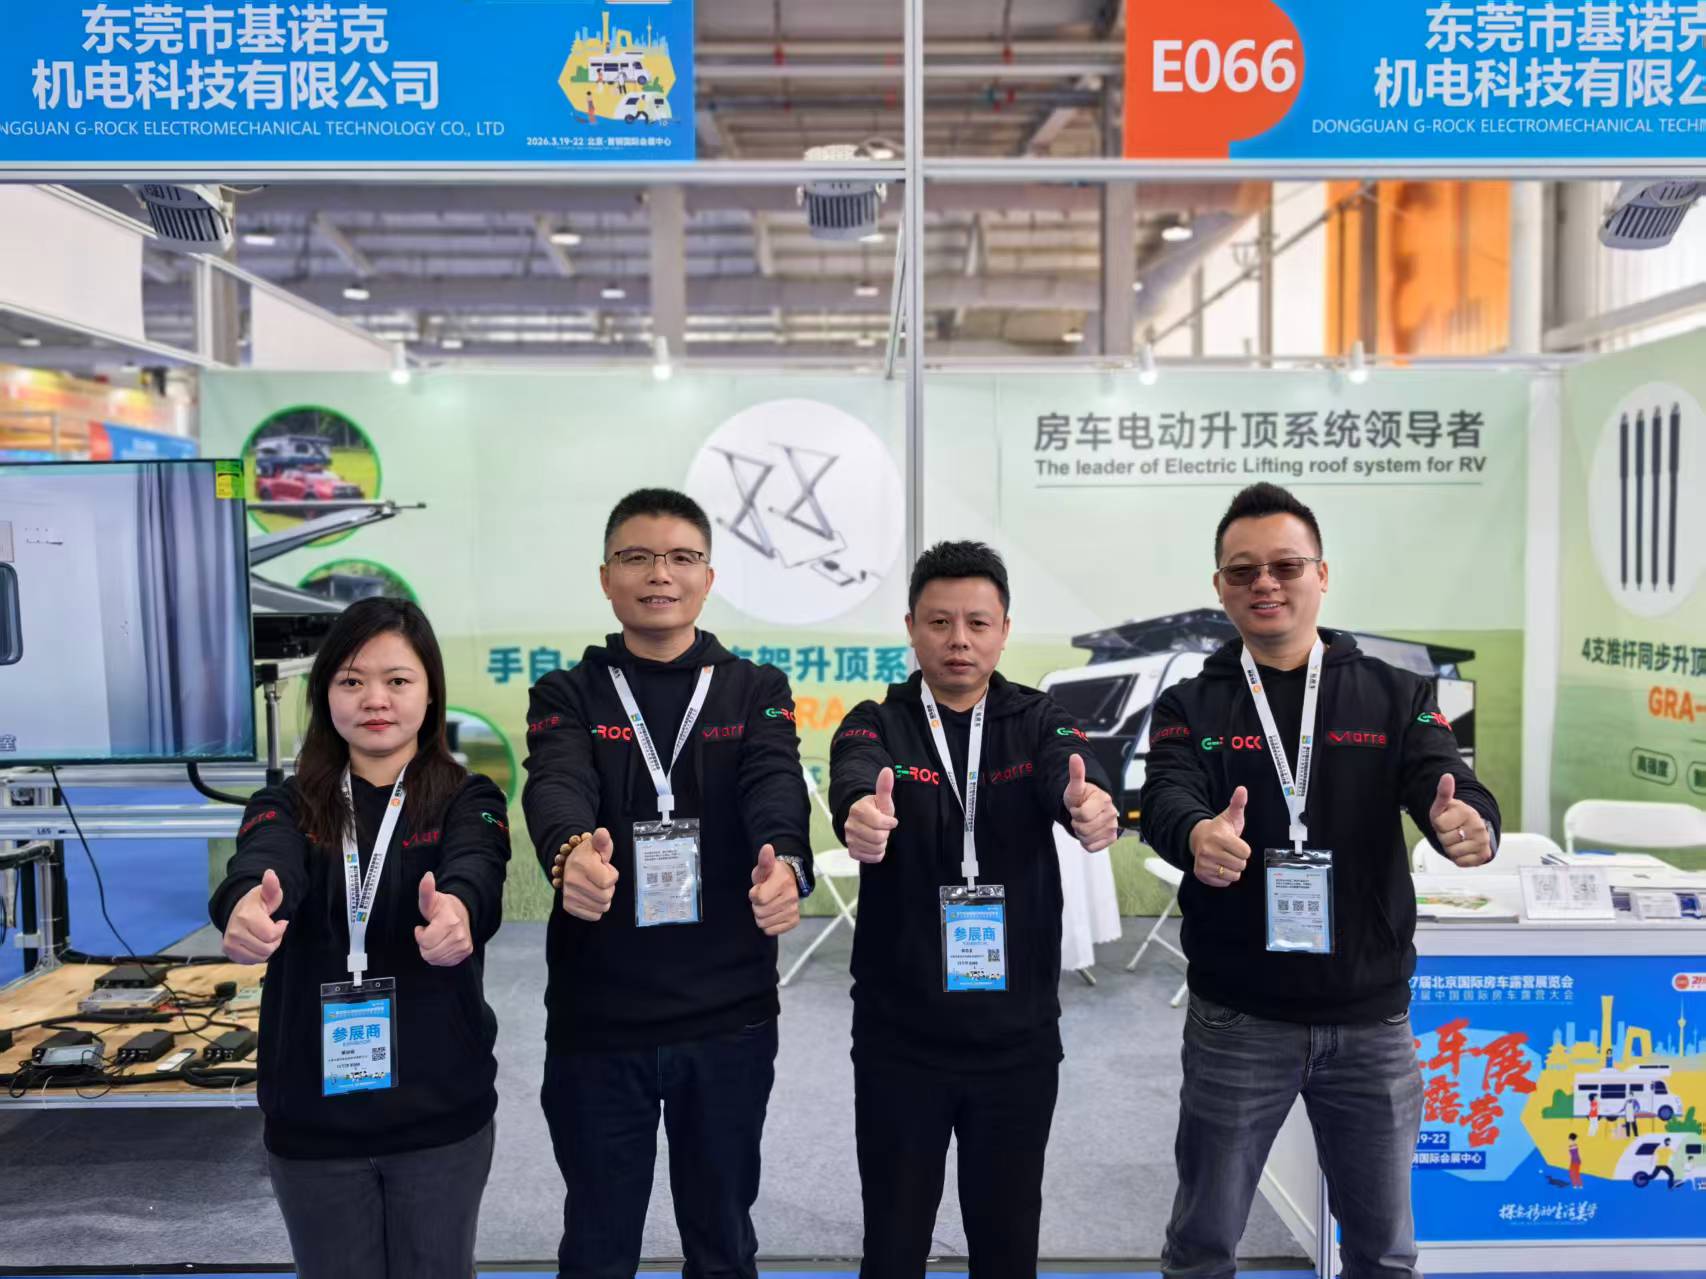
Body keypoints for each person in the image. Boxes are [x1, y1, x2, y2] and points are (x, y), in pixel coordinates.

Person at [1140, 483, 1501, 1279]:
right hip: (1239, 1016)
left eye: (1286, 565)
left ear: (1322, 574)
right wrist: (1195, 832)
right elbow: (1166, 794)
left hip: (1369, 1019)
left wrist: (1468, 818)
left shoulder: (1397, 693)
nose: (1265, 583)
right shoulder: (1190, 704)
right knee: (1203, 1244)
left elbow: (1444, 776)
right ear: (1220, 587)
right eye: (1243, 571)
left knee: (1383, 1250)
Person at [523, 487, 813, 1279]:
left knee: (723, 1241)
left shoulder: (754, 690)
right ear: (606, 577)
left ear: (707, 578)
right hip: (599, 1017)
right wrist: (570, 852)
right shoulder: (568, 693)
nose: (661, 573)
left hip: (728, 1015)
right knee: (597, 1243)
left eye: (682, 557)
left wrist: (785, 861)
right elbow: (556, 781)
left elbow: (774, 783)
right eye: (638, 556)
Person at [829, 540, 1120, 1278]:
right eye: (939, 622)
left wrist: (1086, 802)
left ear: (1004, 630)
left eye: (978, 623)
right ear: (911, 627)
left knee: (1007, 1242)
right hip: (901, 1040)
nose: (958, 639)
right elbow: (855, 772)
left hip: (1016, 1039)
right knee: (893, 1243)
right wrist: (860, 810)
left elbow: (1070, 769)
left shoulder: (1037, 719)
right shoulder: (877, 721)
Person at [211, 597, 511, 1279]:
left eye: (397, 680)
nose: (375, 699)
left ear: (429, 693)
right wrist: (246, 903)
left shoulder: (469, 798)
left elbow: (476, 868)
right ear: (326, 694)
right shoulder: (286, 804)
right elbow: (262, 861)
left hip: (439, 1111)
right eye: (352, 680)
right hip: (312, 1119)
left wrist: (460, 912)